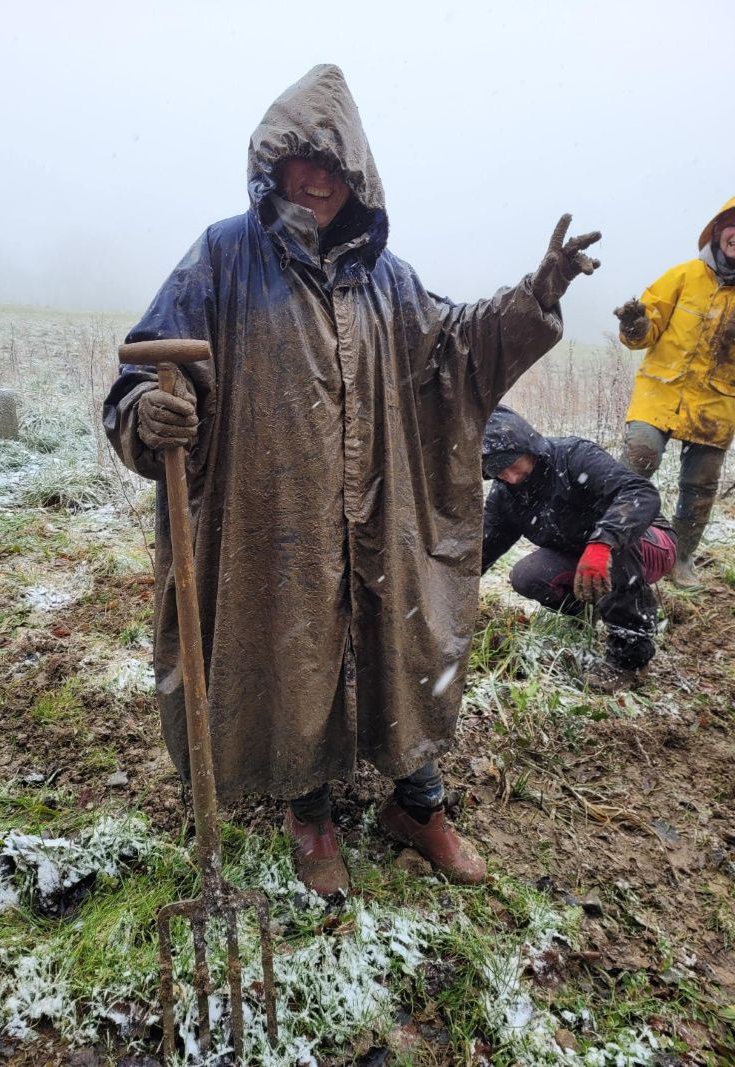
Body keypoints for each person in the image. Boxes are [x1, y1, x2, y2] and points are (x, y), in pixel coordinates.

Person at [104, 64, 601, 895]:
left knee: (407, 643)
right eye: (301, 161)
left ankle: (420, 805)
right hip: (273, 510)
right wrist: (149, 416)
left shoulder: (388, 278)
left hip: (382, 508)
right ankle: (311, 809)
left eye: (334, 165)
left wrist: (535, 295)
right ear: (274, 163)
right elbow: (152, 366)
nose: (317, 179)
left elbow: (457, 349)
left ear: (358, 174)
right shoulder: (225, 255)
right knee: (291, 652)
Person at [481, 406, 676, 689]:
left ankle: (630, 657)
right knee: (528, 575)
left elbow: (639, 494)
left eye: (514, 465)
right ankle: (593, 611)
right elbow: (482, 550)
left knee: (616, 545)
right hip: (581, 554)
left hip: (649, 542)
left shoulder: (573, 456)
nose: (510, 477)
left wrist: (602, 542)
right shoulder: (506, 496)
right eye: (499, 472)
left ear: (528, 446)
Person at [614, 197, 735, 589]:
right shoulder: (683, 277)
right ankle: (613, 541)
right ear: (718, 231)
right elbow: (643, 333)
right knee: (638, 459)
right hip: (660, 393)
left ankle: (679, 560)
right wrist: (634, 324)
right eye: (733, 224)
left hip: (716, 405)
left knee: (701, 485)